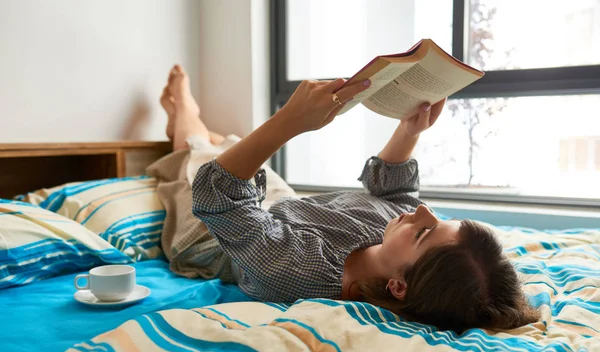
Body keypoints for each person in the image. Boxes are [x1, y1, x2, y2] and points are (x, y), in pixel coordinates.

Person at [149, 65, 540, 333]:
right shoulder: (395, 241)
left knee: (196, 150)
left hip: (211, 234)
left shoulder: (300, 269)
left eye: (424, 232)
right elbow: (395, 192)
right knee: (233, 146)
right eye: (437, 218)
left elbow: (218, 193)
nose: (420, 211)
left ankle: (184, 110)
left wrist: (290, 120)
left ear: (399, 288)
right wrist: (410, 130)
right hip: (281, 210)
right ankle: (198, 128)